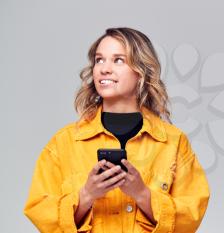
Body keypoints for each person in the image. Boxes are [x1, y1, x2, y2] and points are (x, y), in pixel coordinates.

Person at [23, 27, 210, 233]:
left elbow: (192, 216)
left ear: (141, 71)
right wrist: (86, 195)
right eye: (99, 60)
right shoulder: (64, 142)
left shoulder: (173, 143)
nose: (104, 68)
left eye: (118, 60)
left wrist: (142, 194)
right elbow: (39, 211)